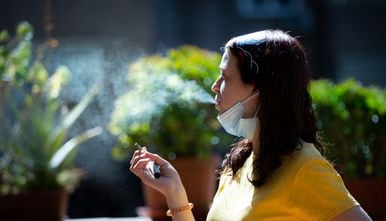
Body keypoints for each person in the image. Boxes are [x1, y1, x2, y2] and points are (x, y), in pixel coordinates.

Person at [130, 30, 372, 221]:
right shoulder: (239, 163)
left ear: (260, 90)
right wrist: (174, 192)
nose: (215, 86)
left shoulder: (306, 169)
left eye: (225, 77)